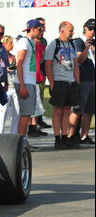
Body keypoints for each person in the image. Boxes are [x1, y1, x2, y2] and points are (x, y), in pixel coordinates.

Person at [44, 21, 80, 149]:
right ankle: (57, 138)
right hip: (59, 81)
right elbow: (47, 65)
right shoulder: (54, 44)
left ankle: (65, 137)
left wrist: (77, 82)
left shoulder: (72, 44)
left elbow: (75, 64)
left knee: (67, 110)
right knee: (58, 110)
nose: (72, 32)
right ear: (62, 31)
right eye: (71, 30)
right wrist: (52, 83)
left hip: (71, 81)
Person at [13, 19, 43, 137]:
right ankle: (21, 142)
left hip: (29, 81)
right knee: (25, 114)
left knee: (28, 113)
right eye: (40, 29)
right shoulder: (24, 42)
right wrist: (22, 85)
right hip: (25, 82)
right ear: (34, 29)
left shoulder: (30, 42)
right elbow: (19, 63)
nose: (41, 31)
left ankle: (23, 141)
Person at [71, 18, 95, 145]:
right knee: (78, 109)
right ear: (85, 28)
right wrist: (87, 47)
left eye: (94, 29)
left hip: (92, 79)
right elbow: (79, 60)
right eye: (90, 28)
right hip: (83, 78)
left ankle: (84, 135)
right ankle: (70, 135)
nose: (92, 31)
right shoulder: (79, 41)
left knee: (90, 110)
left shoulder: (94, 42)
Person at [0, 35, 20, 134]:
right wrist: (6, 69)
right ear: (4, 44)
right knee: (3, 112)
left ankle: (14, 134)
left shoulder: (13, 57)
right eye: (10, 43)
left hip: (15, 87)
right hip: (4, 87)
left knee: (17, 112)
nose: (12, 45)